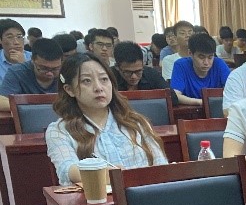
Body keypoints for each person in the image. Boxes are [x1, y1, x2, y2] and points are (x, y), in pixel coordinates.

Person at [46, 53, 167, 186]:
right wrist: (104, 174)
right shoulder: (59, 130)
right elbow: (67, 169)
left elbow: (161, 165)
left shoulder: (136, 122)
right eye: (87, 81)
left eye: (104, 79)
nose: (98, 88)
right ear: (69, 90)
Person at [0, 38, 63, 111]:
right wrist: (35, 109)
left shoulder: (66, 71)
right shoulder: (17, 72)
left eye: (55, 69)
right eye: (44, 68)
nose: (50, 73)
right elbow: (2, 102)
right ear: (32, 60)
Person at [169, 32, 231, 105]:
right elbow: (176, 95)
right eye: (201, 57)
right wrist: (202, 102)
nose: (206, 62)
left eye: (210, 57)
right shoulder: (181, 65)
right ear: (190, 53)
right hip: (191, 109)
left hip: (216, 108)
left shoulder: (219, 64)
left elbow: (233, 90)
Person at [111, 41, 178, 105]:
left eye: (138, 71)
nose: (134, 76)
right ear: (117, 67)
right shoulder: (109, 77)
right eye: (128, 72)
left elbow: (172, 98)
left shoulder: (151, 74)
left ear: (143, 64)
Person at [0, 19, 31, 83]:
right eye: (10, 37)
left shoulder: (34, 58)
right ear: (0, 40)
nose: (16, 42)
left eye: (19, 37)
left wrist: (24, 65)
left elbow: (38, 86)